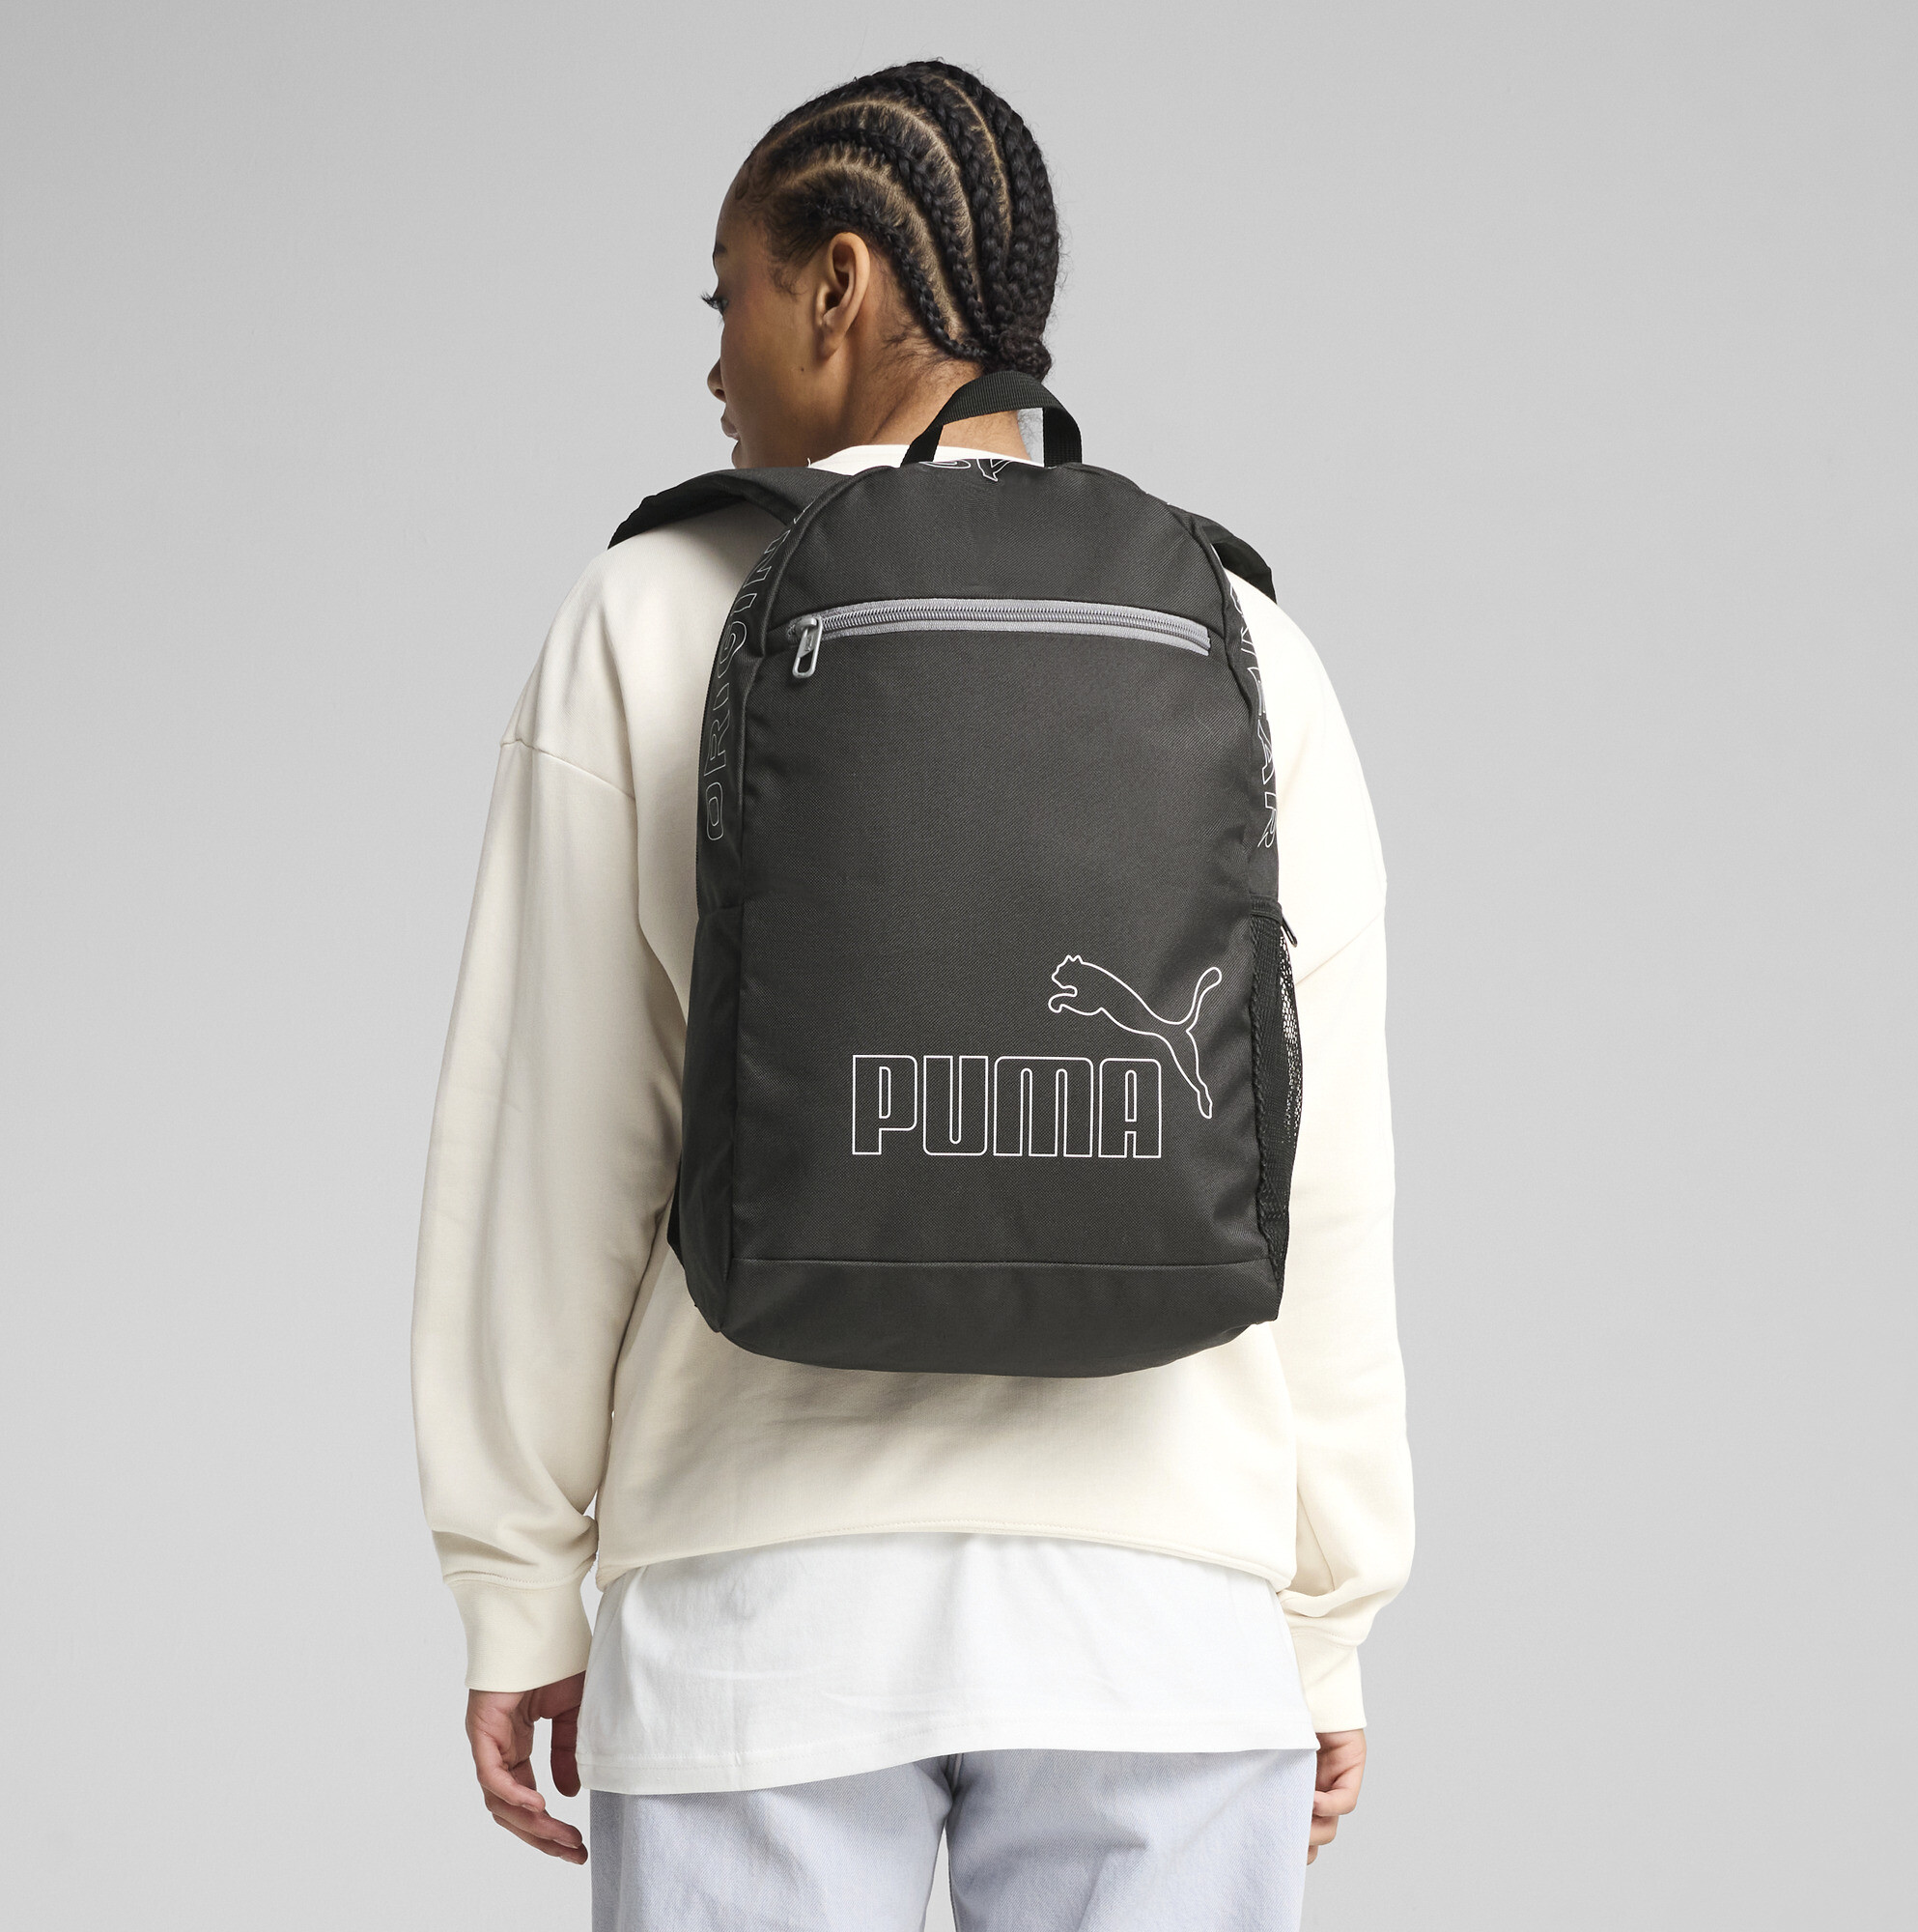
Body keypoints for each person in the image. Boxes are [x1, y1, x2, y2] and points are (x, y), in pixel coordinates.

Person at [410, 60, 1412, 1932]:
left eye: (726, 295)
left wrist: (516, 1582)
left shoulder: (647, 609)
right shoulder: (1243, 638)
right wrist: (1320, 1614)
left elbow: (553, 1142)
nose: (714, 363)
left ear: (838, 283)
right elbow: (1322, 1162)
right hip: (1161, 1618)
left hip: (756, 1612)